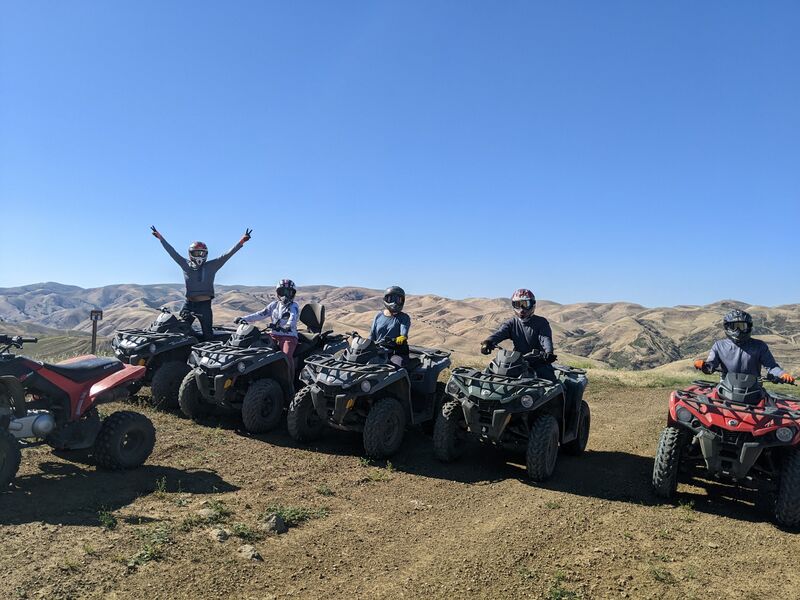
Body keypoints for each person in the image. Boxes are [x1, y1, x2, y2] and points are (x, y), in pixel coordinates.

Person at [151, 225, 252, 341]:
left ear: (206, 254)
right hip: (189, 304)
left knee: (208, 334)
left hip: (204, 305)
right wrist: (161, 238)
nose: (200, 256)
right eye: (197, 253)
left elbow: (227, 255)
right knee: (180, 331)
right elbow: (172, 252)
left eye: (202, 253)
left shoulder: (212, 265)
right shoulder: (185, 264)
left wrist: (241, 241)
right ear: (190, 254)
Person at [694, 309, 795, 383]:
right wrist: (703, 365)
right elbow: (710, 366)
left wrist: (782, 374)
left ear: (749, 327)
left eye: (742, 326)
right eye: (734, 327)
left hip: (754, 388)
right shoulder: (719, 346)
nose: (738, 330)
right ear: (727, 327)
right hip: (726, 387)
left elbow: (771, 366)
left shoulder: (759, 346)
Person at [480, 288, 557, 381]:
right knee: (490, 376)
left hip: (539, 363)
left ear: (532, 304)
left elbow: (545, 339)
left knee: (550, 384)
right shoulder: (512, 323)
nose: (521, 308)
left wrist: (548, 353)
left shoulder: (541, 322)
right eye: (517, 304)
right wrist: (488, 341)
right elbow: (500, 333)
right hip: (517, 363)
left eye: (525, 304)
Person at [236, 279, 300, 379]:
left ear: (293, 294)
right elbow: (260, 314)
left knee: (286, 357)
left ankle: (289, 381)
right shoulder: (274, 305)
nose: (285, 295)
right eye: (282, 292)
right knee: (257, 349)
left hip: (288, 336)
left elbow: (293, 317)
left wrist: (287, 326)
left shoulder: (293, 306)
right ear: (278, 293)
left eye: (288, 292)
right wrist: (244, 318)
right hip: (273, 335)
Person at [369, 286, 411, 366]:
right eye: (391, 299)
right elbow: (372, 334)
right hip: (378, 350)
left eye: (398, 300)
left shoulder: (404, 317)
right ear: (385, 299)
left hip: (396, 351)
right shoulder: (378, 316)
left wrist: (402, 337)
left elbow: (404, 332)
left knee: (396, 368)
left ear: (402, 301)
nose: (394, 302)